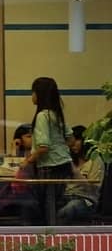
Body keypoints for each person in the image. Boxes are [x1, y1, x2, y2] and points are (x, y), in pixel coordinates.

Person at [22, 76, 74, 222]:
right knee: (57, 205)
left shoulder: (42, 116)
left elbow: (43, 147)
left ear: (40, 94)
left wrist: (27, 161)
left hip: (49, 167)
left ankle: (48, 235)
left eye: (33, 92)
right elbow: (70, 140)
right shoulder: (57, 115)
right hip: (64, 165)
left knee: (47, 206)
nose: (32, 96)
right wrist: (60, 148)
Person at [61, 126, 105, 223]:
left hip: (86, 200)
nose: (73, 144)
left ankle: (53, 234)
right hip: (65, 197)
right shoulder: (68, 160)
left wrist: (75, 172)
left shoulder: (95, 160)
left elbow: (93, 188)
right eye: (70, 141)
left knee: (71, 207)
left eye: (77, 140)